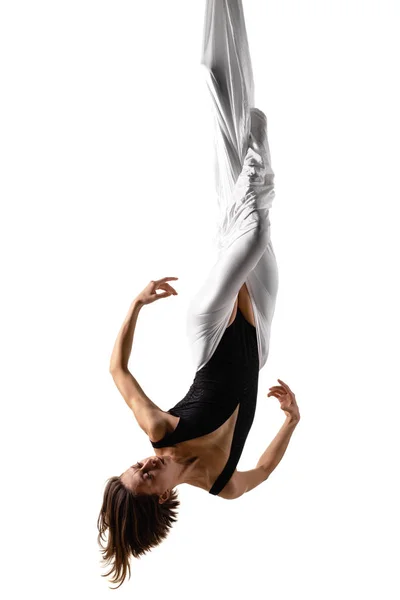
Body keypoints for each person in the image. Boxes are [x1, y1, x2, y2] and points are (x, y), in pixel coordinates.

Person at [97, 0, 300, 589]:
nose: (145, 463)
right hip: (257, 333)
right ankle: (241, 142)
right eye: (147, 478)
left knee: (255, 222)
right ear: (162, 503)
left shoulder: (160, 431)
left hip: (208, 327)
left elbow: (116, 369)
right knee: (223, 106)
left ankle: (254, 170)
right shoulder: (219, 483)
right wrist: (292, 421)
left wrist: (136, 304)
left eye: (135, 467)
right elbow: (259, 473)